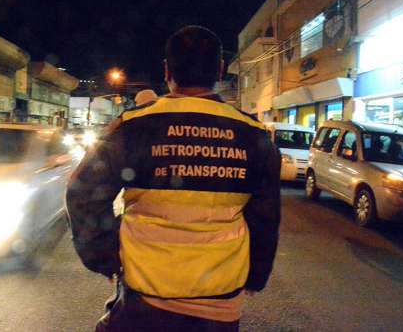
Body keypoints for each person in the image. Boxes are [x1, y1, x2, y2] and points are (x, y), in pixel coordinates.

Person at [67, 25, 281, 332]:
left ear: (167, 70)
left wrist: (105, 256)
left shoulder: (133, 126)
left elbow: (82, 193)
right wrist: (257, 274)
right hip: (220, 303)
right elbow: (266, 217)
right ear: (220, 70)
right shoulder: (254, 135)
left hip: (146, 297)